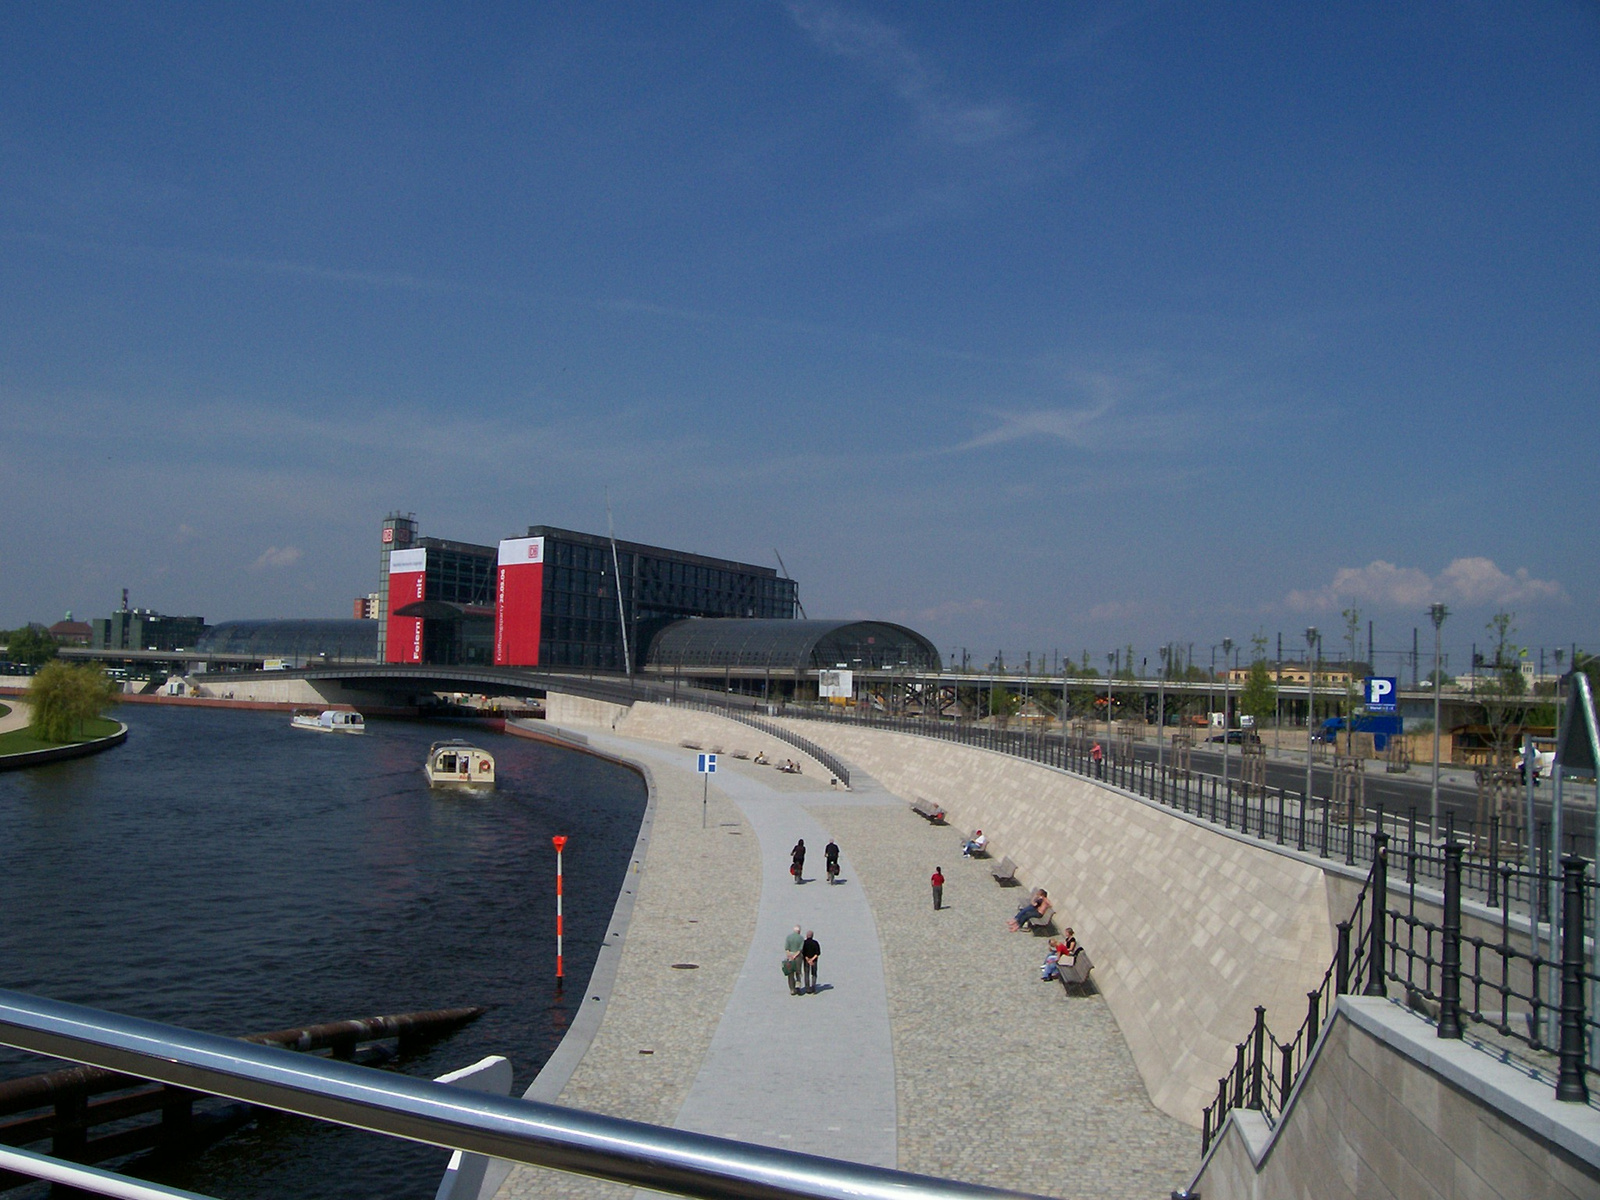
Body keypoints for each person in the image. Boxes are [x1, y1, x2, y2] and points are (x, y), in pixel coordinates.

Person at [784, 924, 804, 995]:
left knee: (790, 973)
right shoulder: (801, 938)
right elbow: (800, 949)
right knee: (798, 972)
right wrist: (795, 955)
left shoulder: (788, 937)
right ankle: (798, 987)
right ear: (799, 931)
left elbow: (786, 948)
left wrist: (790, 956)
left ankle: (792, 989)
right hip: (798, 957)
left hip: (790, 957)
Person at [800, 929, 821, 994]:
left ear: (806, 936)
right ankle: (813, 988)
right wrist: (812, 959)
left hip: (806, 961)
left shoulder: (804, 943)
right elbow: (818, 953)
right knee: (814, 974)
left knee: (806, 974)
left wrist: (808, 960)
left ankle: (807, 989)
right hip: (814, 961)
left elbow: (803, 953)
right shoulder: (816, 943)